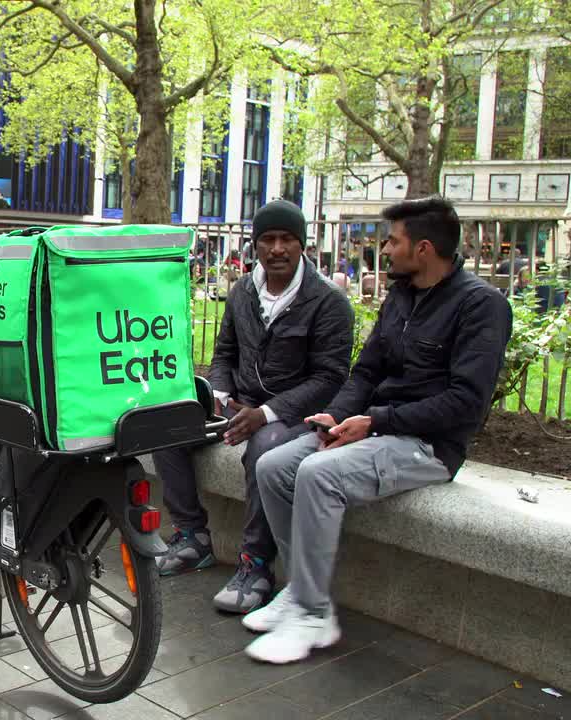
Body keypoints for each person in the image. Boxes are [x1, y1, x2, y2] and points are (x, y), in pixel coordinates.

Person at [243, 197, 513, 665]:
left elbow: (466, 403)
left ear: (423, 248)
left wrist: (377, 421)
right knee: (273, 466)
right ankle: (301, 590)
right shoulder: (402, 297)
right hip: (374, 429)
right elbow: (366, 373)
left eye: (392, 241)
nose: (384, 249)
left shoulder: (481, 306)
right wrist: (336, 417)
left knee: (318, 474)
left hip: (427, 446)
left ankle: (312, 614)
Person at [153, 199, 354, 614]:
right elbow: (225, 353)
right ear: (255, 244)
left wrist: (266, 413)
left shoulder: (328, 300)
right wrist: (218, 396)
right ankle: (192, 536)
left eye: (287, 239)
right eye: (268, 240)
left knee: (265, 449)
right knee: (166, 425)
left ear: (302, 244)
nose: (277, 249)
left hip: (294, 415)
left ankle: (256, 565)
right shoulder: (243, 291)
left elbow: (329, 378)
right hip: (240, 404)